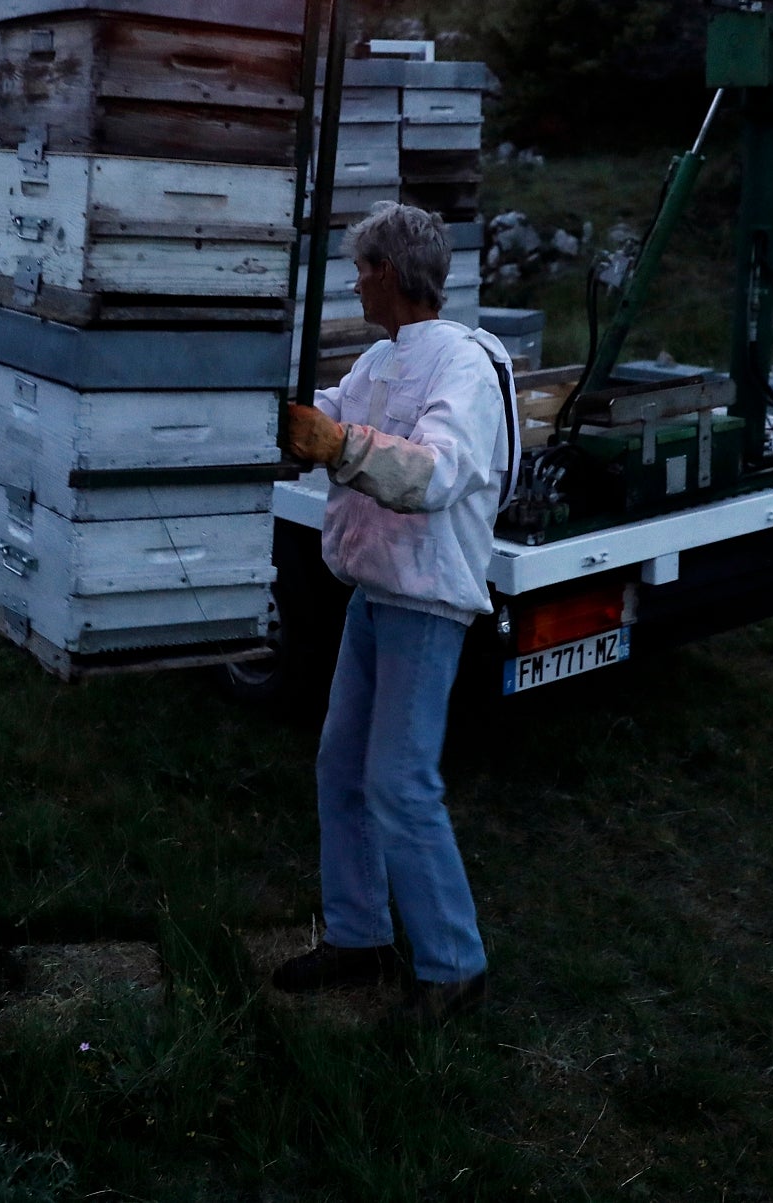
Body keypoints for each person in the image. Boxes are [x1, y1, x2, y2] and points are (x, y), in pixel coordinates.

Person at [272, 200, 517, 1020]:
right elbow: (338, 408)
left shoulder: (466, 365)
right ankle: (359, 934)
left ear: (388, 271)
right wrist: (292, 411)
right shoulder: (385, 359)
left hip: (427, 599)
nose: (353, 280)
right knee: (341, 767)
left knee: (400, 783)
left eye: (361, 266)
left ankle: (453, 964)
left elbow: (440, 472)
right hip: (374, 593)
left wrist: (340, 447)